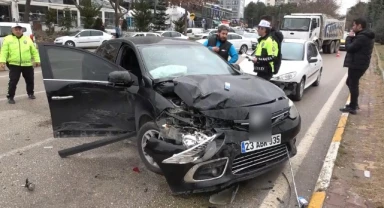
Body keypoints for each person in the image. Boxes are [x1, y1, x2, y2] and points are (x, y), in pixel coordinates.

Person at [339, 18, 375, 115]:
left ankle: (353, 107)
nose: (352, 27)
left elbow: (350, 48)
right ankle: (354, 104)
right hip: (359, 64)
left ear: (359, 26)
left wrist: (349, 37)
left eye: (354, 25)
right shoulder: (363, 35)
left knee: (353, 85)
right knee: (350, 83)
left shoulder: (362, 37)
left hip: (357, 65)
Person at [0, 23, 40, 104]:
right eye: (16, 29)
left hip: (27, 64)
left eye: (19, 29)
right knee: (13, 81)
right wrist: (2, 62)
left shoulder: (27, 39)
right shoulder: (8, 39)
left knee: (30, 80)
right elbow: (4, 51)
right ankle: (10, 97)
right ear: (12, 30)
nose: (18, 31)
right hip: (14, 64)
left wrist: (37, 60)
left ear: (22, 30)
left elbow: (34, 51)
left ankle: (30, 93)